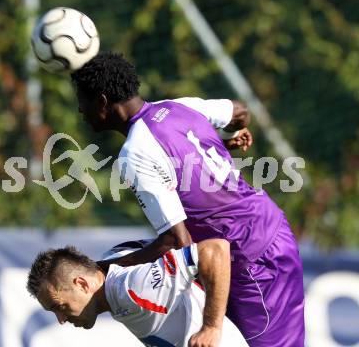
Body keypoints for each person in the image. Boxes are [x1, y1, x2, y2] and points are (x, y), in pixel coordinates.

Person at [69, 52, 305, 346]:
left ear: (102, 103)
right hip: (258, 238)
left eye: (83, 101)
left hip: (251, 260)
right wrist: (225, 139)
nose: (80, 110)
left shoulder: (136, 152)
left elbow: (175, 241)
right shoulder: (178, 107)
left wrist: (105, 269)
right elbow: (240, 111)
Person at [26, 240, 248, 347]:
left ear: (83, 284)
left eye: (59, 306)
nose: (61, 319)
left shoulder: (130, 289)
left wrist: (211, 327)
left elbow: (214, 250)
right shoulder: (116, 273)